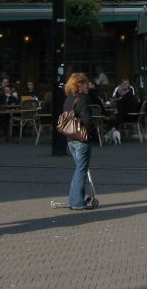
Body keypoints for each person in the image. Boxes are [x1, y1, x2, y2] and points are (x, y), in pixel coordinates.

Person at [62, 73, 97, 210]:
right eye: (84, 83)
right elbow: (87, 121)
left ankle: (74, 199)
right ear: (79, 85)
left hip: (70, 139)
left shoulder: (68, 100)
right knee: (81, 171)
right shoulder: (82, 100)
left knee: (79, 170)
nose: (87, 85)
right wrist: (93, 132)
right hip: (82, 139)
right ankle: (76, 202)